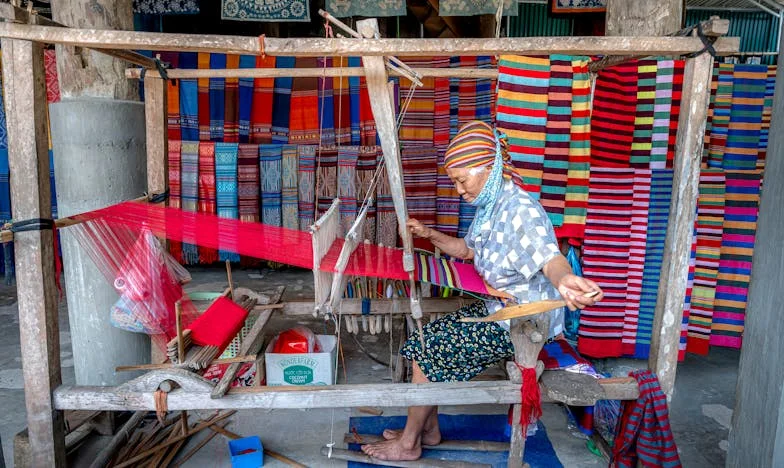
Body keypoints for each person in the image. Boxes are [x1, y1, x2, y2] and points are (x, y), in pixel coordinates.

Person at [360, 121, 604, 461]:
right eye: (455, 182)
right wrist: (428, 234)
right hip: (497, 311)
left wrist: (564, 280)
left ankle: (409, 443)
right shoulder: (491, 207)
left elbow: (550, 258)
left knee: (431, 353)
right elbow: (467, 251)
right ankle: (428, 429)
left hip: (523, 325)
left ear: (489, 167)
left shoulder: (521, 210)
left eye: (462, 180)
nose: (459, 189)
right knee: (423, 342)